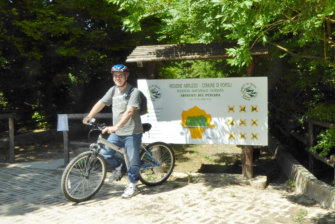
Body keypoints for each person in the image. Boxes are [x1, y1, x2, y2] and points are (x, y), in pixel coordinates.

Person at [83, 64, 143, 198]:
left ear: (126, 76)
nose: (118, 78)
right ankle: (118, 167)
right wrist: (89, 116)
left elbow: (129, 112)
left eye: (120, 75)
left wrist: (116, 127)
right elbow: (101, 103)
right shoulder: (113, 90)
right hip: (117, 132)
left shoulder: (134, 92)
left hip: (132, 132)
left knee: (133, 160)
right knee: (105, 153)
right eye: (115, 76)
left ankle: (133, 184)